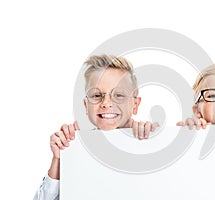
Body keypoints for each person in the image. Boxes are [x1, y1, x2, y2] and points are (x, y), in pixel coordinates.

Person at [34, 54, 158, 200]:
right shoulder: (76, 147)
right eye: (97, 95)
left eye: (118, 95)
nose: (106, 103)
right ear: (86, 106)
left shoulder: (151, 141)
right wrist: (60, 159)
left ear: (135, 105)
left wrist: (153, 139)